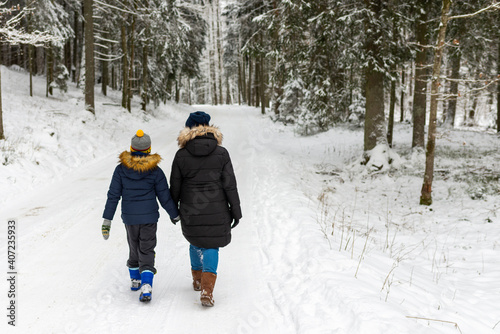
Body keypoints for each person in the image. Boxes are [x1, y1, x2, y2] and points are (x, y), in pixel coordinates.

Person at [170, 111, 242, 307]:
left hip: (190, 210)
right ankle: (207, 290)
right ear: (208, 127)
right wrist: (236, 210)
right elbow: (230, 185)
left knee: (195, 240)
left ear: (189, 128)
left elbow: (175, 186)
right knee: (211, 244)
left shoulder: (181, 155)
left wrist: (172, 210)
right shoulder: (221, 153)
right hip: (217, 208)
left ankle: (197, 279)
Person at [101, 130, 179, 302]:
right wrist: (174, 214)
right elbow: (164, 195)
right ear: (149, 149)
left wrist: (107, 220)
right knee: (147, 248)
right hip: (149, 218)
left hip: (129, 217)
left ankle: (135, 279)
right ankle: (146, 285)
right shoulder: (155, 171)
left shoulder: (120, 170)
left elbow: (113, 195)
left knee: (133, 245)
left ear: (131, 148)